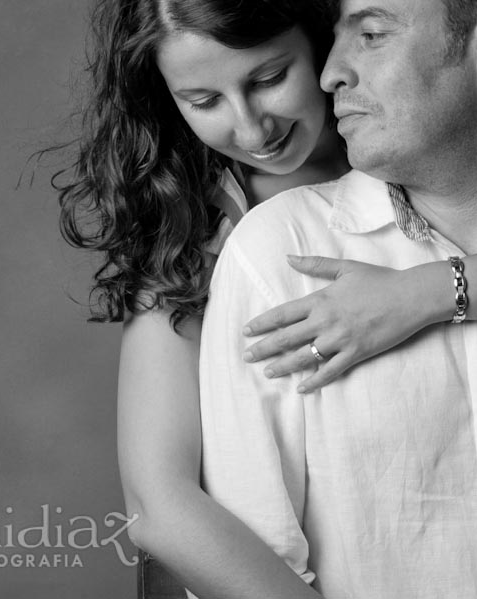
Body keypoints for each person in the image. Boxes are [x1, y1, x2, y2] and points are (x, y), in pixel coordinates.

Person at [54, 0, 477, 597]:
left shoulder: (425, 137)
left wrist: (428, 292)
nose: (253, 130)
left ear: (319, 40)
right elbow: (159, 502)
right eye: (204, 102)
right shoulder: (198, 234)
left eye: (270, 78)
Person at [198, 0, 477, 595]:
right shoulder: (281, 252)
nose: (331, 75)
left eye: (373, 34)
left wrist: (437, 291)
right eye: (334, 39)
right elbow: (244, 542)